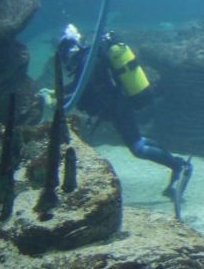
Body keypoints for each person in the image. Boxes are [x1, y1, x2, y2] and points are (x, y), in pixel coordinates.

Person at [56, 24, 192, 214]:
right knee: (139, 140)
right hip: (117, 105)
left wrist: (56, 98)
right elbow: (80, 87)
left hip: (118, 107)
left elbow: (80, 90)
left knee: (138, 148)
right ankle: (177, 164)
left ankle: (179, 165)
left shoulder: (86, 62)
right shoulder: (88, 58)